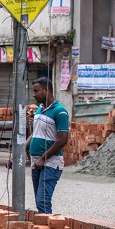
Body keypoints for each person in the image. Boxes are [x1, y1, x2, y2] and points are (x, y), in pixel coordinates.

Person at [26, 77, 69, 214]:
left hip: (50, 163)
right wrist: (21, 151)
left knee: (43, 201)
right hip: (36, 162)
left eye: (36, 91)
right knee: (39, 202)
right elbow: (34, 134)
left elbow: (62, 140)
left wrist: (43, 158)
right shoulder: (39, 110)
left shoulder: (60, 112)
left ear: (46, 90)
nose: (34, 94)